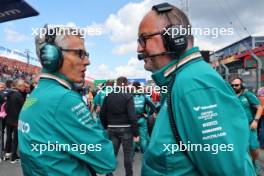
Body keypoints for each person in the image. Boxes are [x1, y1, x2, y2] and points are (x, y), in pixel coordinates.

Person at [137, 2, 255, 175]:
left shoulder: (195, 86)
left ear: (174, 38)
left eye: (143, 39)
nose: (139, 48)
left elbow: (230, 171)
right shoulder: (182, 81)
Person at [18, 25, 116, 176]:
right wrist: (93, 119)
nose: (87, 61)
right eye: (80, 53)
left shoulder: (37, 93)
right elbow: (107, 160)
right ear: (52, 56)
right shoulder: (65, 99)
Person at [100, 76, 138, 176]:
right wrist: (136, 133)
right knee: (127, 155)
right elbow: (132, 116)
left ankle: (109, 174)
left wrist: (106, 125)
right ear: (125, 84)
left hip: (112, 128)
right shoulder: (128, 95)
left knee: (112, 154)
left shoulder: (108, 95)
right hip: (126, 128)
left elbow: (102, 113)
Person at [231, 78, 263, 175]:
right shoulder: (230, 96)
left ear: (242, 85)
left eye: (236, 85)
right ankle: (245, 169)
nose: (234, 87)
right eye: (232, 85)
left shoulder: (247, 95)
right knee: (241, 148)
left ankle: (256, 166)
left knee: (253, 146)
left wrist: (255, 121)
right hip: (237, 127)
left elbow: (259, 107)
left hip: (250, 125)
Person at [132, 81, 156, 153]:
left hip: (132, 120)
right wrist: (148, 115)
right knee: (143, 138)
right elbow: (153, 107)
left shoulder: (129, 96)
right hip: (142, 118)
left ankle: (132, 155)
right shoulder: (144, 96)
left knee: (133, 137)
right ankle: (144, 154)